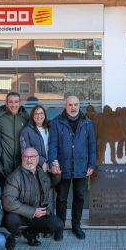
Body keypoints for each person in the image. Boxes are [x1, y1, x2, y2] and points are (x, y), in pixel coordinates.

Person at [1, 147, 65, 250]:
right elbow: (8, 202)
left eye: (32, 157)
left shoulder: (41, 172)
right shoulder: (15, 177)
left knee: (58, 225)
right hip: (20, 214)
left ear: (37, 159)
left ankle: (29, 232)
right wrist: (32, 211)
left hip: (37, 213)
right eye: (26, 157)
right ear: (22, 158)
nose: (29, 160)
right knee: (11, 219)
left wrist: (56, 175)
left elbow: (51, 183)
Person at [48, 95, 96, 240]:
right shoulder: (57, 122)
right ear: (65, 106)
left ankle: (76, 226)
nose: (73, 107)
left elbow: (92, 145)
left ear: (79, 105)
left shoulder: (87, 122)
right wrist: (53, 162)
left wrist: (91, 164)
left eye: (75, 104)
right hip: (63, 167)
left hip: (81, 166)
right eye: (70, 105)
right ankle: (60, 227)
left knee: (79, 197)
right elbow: (52, 145)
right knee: (61, 198)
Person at [19, 104, 56, 226]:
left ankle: (49, 223)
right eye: (36, 114)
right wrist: (41, 162)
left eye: (41, 113)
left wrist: (53, 161)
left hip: (51, 166)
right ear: (32, 116)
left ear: (45, 115)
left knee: (50, 195)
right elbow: (25, 150)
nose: (39, 116)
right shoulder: (26, 130)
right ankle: (36, 226)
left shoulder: (50, 128)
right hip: (35, 168)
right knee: (38, 197)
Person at [0, 92, 30, 187]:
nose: (13, 105)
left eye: (16, 102)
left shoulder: (26, 118)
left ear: (20, 103)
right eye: (11, 102)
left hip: (21, 164)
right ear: (6, 103)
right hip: (4, 165)